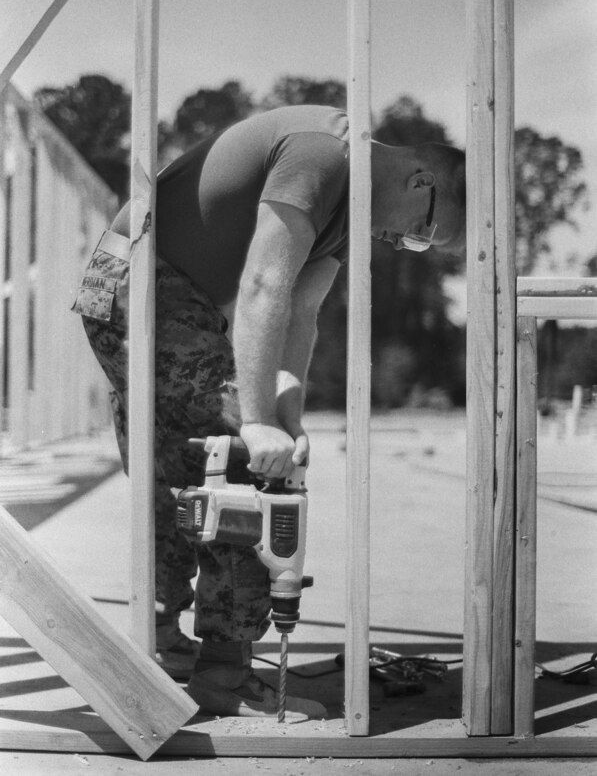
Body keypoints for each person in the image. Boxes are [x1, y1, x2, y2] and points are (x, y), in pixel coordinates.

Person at [72, 104, 465, 719]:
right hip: (145, 284)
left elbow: (301, 313)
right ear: (422, 182)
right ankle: (224, 676)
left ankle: (163, 640)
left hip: (141, 285)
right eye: (421, 231)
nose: (403, 245)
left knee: (184, 465)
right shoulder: (325, 156)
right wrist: (255, 423)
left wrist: (287, 414)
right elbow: (263, 284)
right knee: (245, 466)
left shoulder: (348, 211)